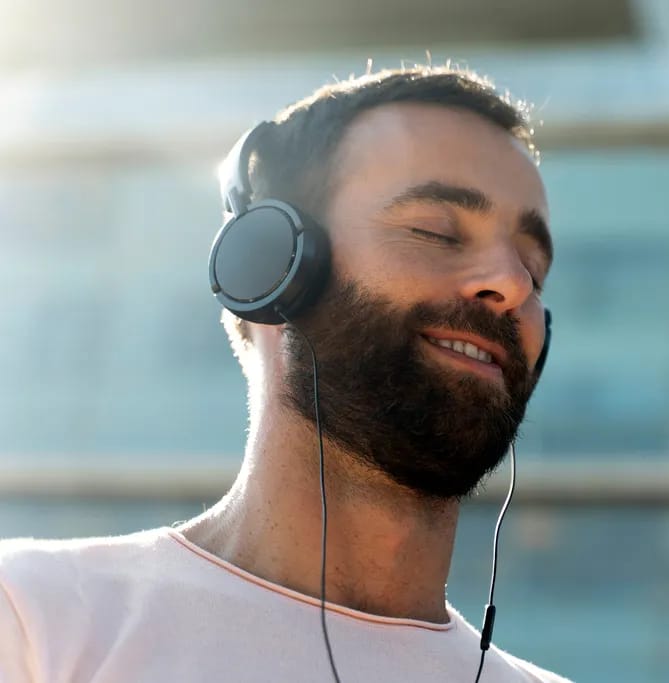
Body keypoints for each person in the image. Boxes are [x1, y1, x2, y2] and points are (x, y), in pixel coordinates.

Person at [0, 66, 569, 682]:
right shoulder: (31, 616)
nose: (511, 285)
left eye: (533, 270)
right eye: (434, 231)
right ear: (274, 267)